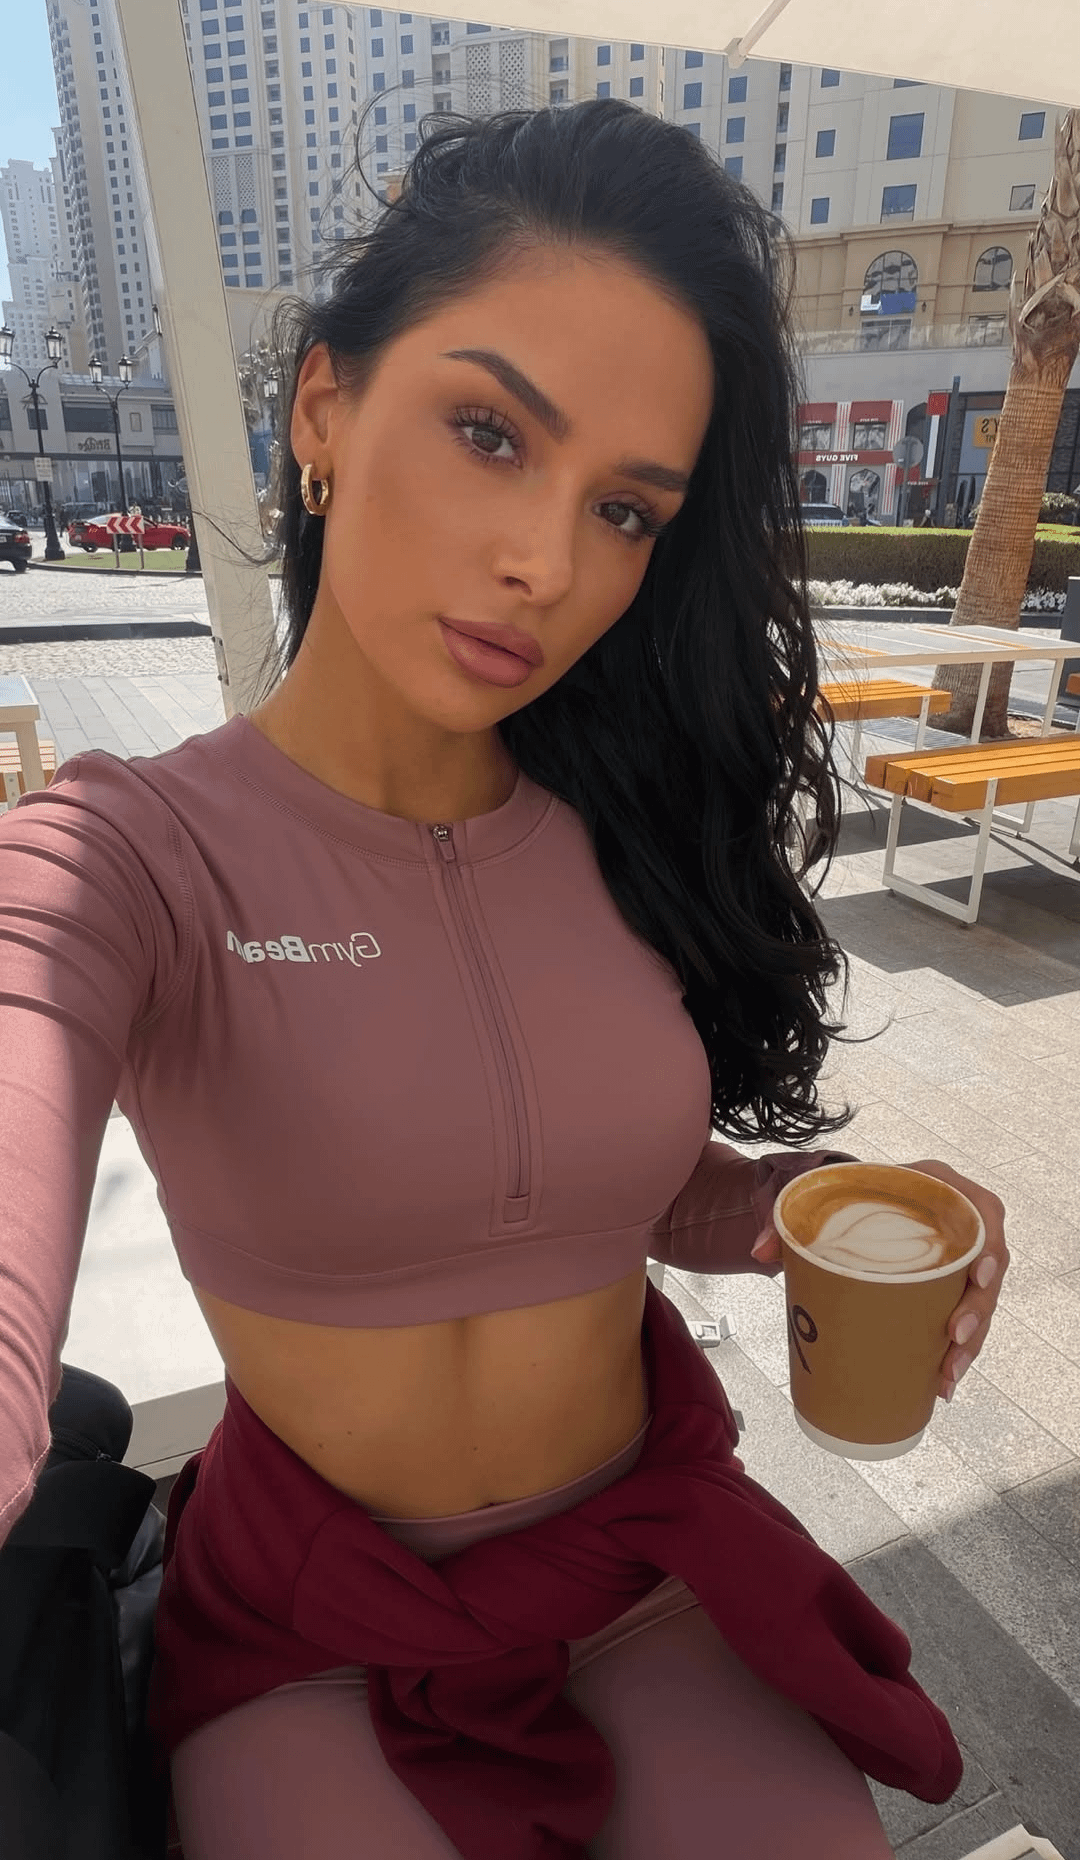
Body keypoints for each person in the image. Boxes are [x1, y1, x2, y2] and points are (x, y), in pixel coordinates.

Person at [0, 101, 1009, 1860]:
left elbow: (602, 1196)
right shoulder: (126, 857)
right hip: (316, 1622)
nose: (549, 563)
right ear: (325, 410)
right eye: (489, 432)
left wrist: (800, 1210)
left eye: (624, 508)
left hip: (640, 1567)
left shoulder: (626, 820)